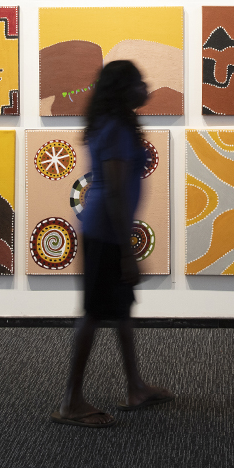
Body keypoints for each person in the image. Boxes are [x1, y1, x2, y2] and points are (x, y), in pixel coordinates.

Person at [52, 60, 174, 428]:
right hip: (106, 232)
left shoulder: (113, 123)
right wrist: (126, 252)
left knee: (120, 311)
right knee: (93, 314)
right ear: (122, 89)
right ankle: (71, 402)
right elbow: (117, 193)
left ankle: (135, 387)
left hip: (105, 229)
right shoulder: (117, 128)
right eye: (138, 82)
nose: (145, 87)